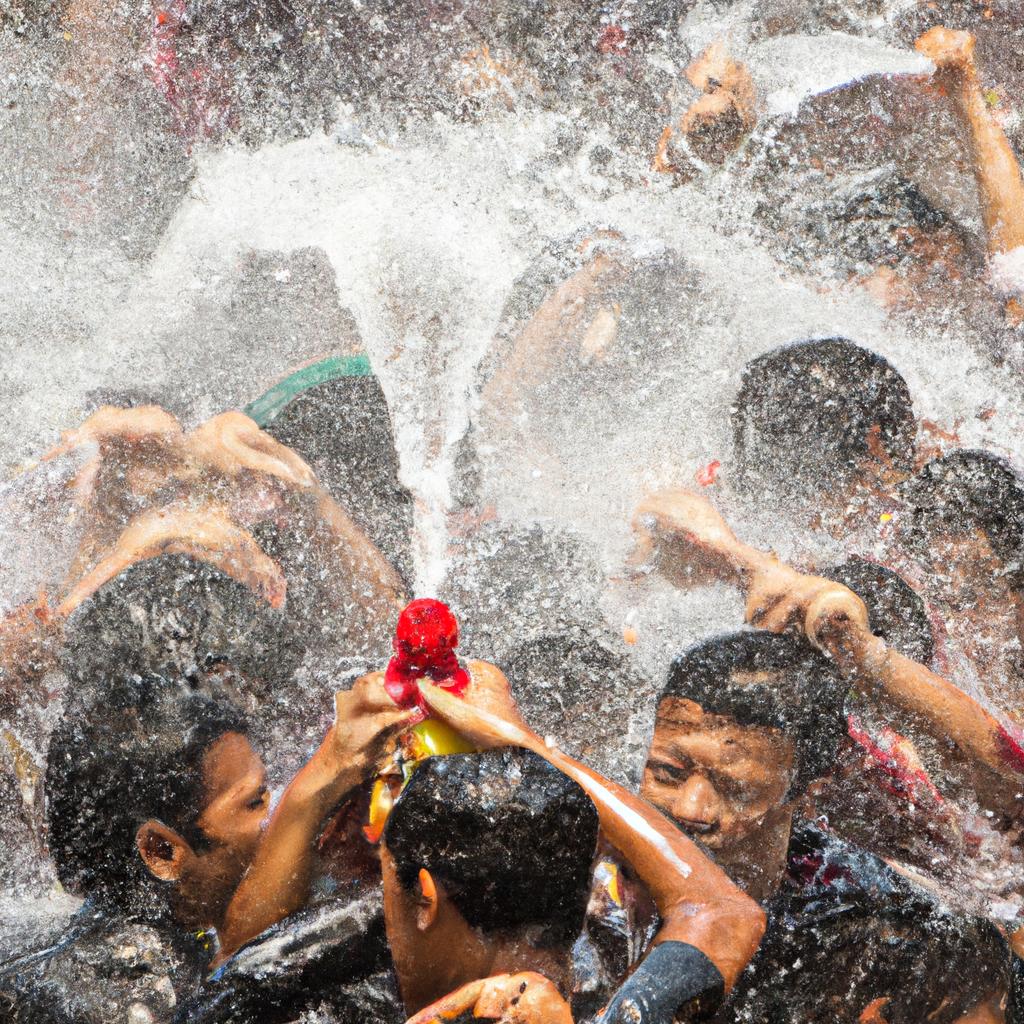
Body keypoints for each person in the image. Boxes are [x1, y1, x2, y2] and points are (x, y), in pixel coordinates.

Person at [633, 487, 1024, 1021]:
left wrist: (857, 649)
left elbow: (1007, 778)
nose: (689, 809)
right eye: (668, 772)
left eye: (733, 786)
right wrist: (747, 564)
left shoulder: (882, 801)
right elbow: (661, 501)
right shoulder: (597, 853)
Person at [0, 670, 411, 1023]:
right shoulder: (107, 988)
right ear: (163, 851)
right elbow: (227, 988)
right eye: (256, 802)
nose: (277, 811)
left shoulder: (169, 933)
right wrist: (313, 791)